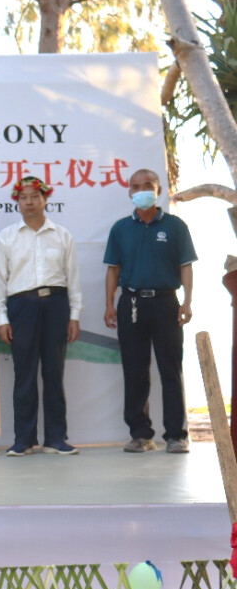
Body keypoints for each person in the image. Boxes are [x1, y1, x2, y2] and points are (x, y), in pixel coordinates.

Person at [103, 168, 196, 454]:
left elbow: (185, 266)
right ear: (129, 192)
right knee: (135, 371)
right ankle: (141, 435)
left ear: (158, 191)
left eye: (147, 185)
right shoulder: (120, 228)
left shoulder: (176, 226)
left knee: (171, 369)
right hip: (131, 304)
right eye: (136, 186)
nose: (141, 190)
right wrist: (109, 304)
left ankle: (176, 435)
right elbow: (113, 269)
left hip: (167, 303)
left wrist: (187, 301)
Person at [0, 176, 82, 457]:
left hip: (56, 305)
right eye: (23, 197)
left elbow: (73, 279)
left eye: (34, 196)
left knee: (54, 373)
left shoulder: (62, 235)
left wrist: (74, 315)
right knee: (24, 375)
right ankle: (24, 439)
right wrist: (2, 319)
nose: (29, 202)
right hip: (22, 307)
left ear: (45, 199)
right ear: (17, 202)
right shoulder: (7, 237)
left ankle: (56, 438)